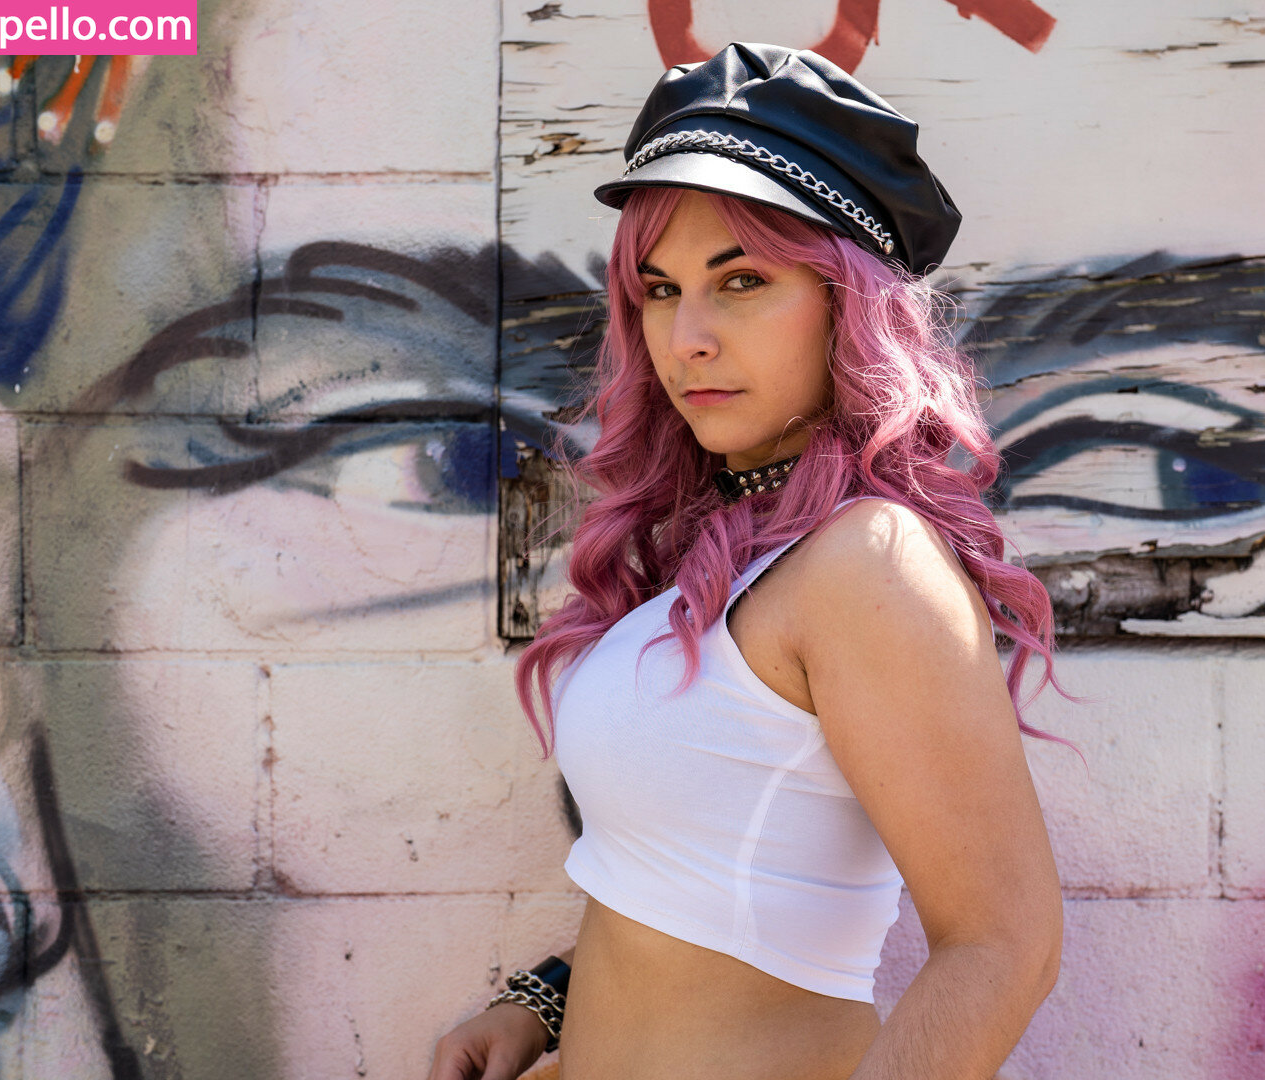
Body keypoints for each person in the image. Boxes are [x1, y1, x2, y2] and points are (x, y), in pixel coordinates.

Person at [424, 42, 1065, 1080]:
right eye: (661, 290)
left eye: (742, 281)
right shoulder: (723, 559)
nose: (687, 338)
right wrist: (544, 1004)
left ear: (848, 303)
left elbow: (1004, 946)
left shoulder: (870, 562)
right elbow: (695, 878)